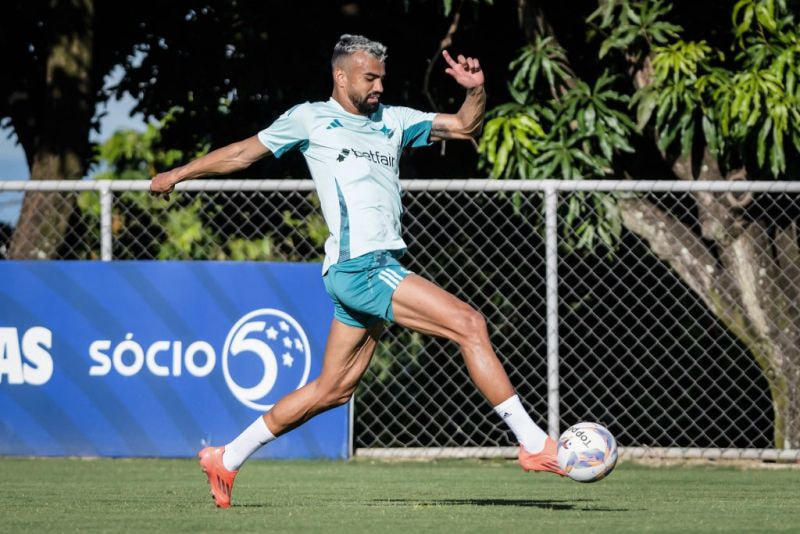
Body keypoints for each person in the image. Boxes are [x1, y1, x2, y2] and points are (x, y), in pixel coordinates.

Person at [150, 34, 564, 509]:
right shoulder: (310, 118)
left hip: (374, 268)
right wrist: (179, 172)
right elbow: (243, 153)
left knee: (333, 390)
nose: (378, 87)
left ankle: (226, 457)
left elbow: (467, 127)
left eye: (382, 79)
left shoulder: (394, 121)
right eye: (369, 78)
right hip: (360, 267)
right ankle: (533, 444)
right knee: (469, 323)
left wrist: (475, 90)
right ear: (340, 76)